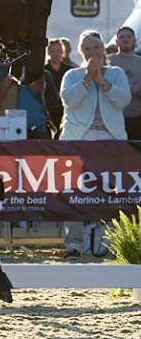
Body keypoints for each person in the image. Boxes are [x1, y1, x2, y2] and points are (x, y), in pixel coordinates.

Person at [59, 29, 131, 260]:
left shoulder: (117, 73)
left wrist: (102, 81)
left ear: (103, 50)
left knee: (112, 192)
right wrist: (88, 79)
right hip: (78, 140)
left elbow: (124, 101)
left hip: (111, 139)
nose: (92, 52)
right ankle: (74, 244)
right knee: (74, 192)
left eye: (96, 48)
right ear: (81, 52)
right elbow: (68, 100)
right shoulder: (72, 74)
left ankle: (111, 242)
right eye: (87, 48)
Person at [107, 26, 141, 140]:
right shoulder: (108, 62)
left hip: (137, 118)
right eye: (121, 37)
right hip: (114, 117)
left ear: (135, 41)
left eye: (128, 37)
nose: (125, 40)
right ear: (117, 42)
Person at [45, 38, 73, 138]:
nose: (56, 54)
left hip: (66, 110)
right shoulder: (43, 70)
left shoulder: (70, 70)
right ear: (48, 52)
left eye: (58, 51)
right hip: (49, 111)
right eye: (53, 51)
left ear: (62, 51)